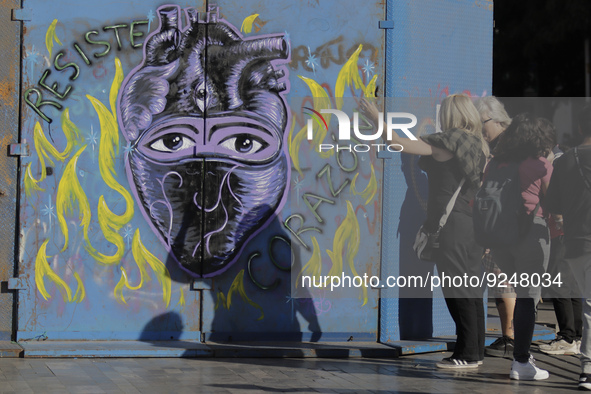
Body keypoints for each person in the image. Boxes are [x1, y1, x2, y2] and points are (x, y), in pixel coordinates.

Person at [361, 94, 488, 368]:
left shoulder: (449, 142)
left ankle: (465, 354)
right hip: (471, 226)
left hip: (451, 226)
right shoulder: (478, 144)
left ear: (450, 116)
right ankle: (475, 351)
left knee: (456, 290)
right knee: (472, 291)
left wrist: (376, 118)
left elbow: (397, 143)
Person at [488, 113, 555, 381]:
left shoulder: (496, 163)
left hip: (500, 238)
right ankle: (521, 361)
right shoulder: (541, 165)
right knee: (528, 296)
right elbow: (555, 204)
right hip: (531, 234)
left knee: (516, 291)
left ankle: (521, 356)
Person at [546, 105, 591, 390]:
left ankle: (588, 368)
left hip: (577, 242)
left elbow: (553, 205)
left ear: (578, 129)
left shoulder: (565, 161)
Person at [475, 96, 516, 359]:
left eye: (483, 124)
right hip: (499, 223)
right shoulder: (501, 145)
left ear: (498, 119)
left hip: (503, 225)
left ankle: (510, 336)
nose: (481, 131)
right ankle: (509, 336)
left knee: (503, 283)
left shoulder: (507, 147)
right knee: (500, 282)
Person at [540, 139, 582, 356]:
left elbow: (556, 199)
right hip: (571, 232)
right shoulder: (565, 161)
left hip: (562, 231)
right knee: (571, 286)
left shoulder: (557, 164)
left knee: (559, 284)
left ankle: (567, 336)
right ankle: (575, 336)